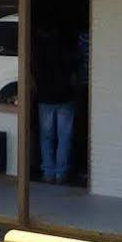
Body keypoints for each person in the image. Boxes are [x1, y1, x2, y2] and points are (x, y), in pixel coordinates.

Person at [34, 21, 83, 184]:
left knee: (46, 137)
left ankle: (48, 172)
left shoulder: (38, 52)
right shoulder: (67, 51)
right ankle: (61, 174)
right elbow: (74, 77)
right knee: (65, 136)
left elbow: (32, 76)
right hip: (65, 97)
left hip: (45, 98)